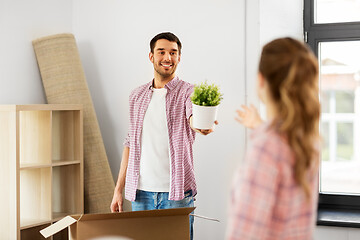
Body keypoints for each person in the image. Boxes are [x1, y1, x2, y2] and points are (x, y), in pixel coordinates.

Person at [110, 32, 216, 240]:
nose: (168, 58)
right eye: (162, 52)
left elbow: (193, 117)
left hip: (177, 194)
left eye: (173, 53)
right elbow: (130, 143)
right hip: (140, 194)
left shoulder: (188, 92)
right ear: (151, 56)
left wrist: (201, 126)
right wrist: (118, 190)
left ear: (179, 57)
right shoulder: (136, 96)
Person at [227, 37, 320, 240]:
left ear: (261, 80)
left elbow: (245, 234)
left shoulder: (266, 148)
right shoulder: (308, 140)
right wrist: (259, 125)